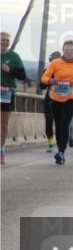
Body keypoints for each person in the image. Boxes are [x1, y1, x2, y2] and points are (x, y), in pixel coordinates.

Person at [39, 40, 73, 165]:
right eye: (66, 49)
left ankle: (61, 152)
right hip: (55, 98)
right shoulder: (56, 63)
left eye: (71, 50)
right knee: (58, 125)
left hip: (71, 98)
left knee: (65, 125)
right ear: (63, 50)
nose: (68, 52)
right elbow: (44, 78)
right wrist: (51, 81)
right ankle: (60, 148)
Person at [1, 31, 28, 164]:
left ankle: (1, 150)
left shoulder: (14, 56)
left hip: (6, 92)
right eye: (2, 40)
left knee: (3, 124)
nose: (5, 42)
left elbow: (22, 76)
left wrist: (10, 70)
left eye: (7, 40)